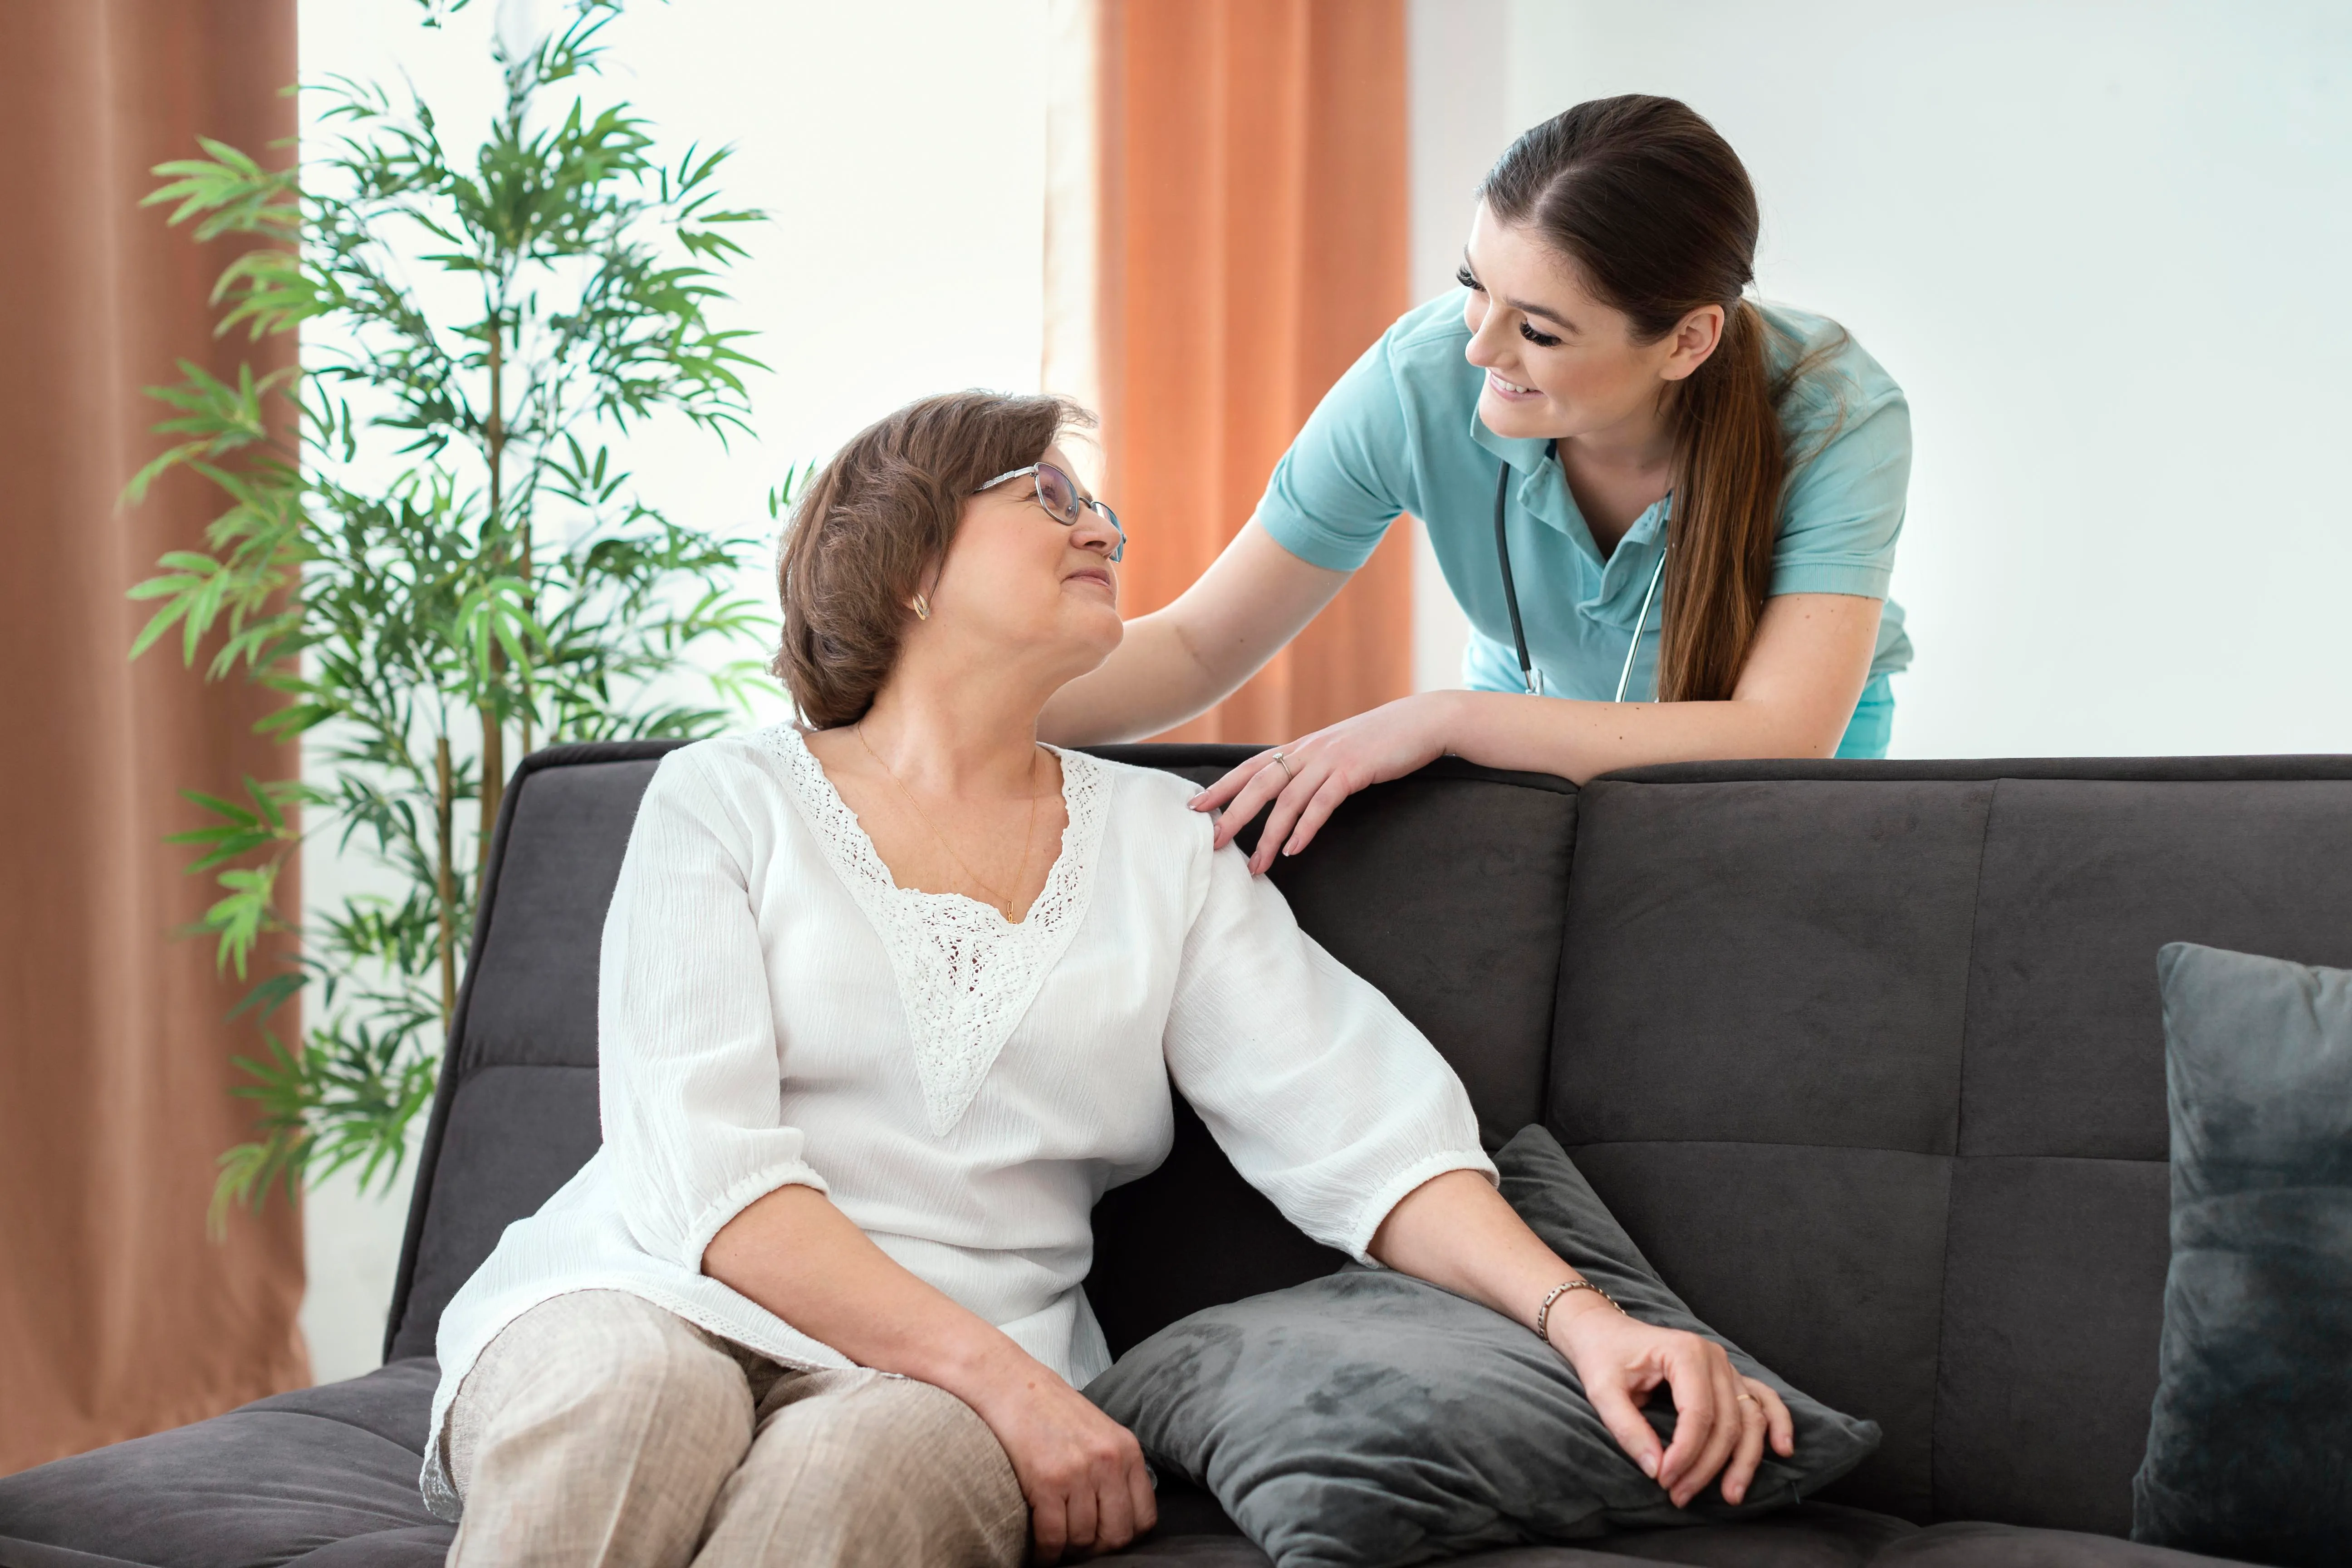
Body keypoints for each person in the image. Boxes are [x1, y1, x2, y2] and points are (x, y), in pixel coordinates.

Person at [421, 392, 1796, 1568]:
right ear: (905, 559)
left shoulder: (1164, 844)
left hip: (954, 1373)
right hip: (652, 1293)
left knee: (842, 1492)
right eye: (1049, 494)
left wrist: (1588, 1321)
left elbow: (1362, 1131)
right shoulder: (724, 799)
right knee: (631, 1396)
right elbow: (704, 1179)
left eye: (1100, 503)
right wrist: (1009, 1387)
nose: (1106, 527)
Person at [1041, 95, 1914, 874]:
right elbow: (1199, 644)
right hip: (1529, 711)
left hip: (1769, 744)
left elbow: (1781, 732)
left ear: (1688, 341)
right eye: (1473, 286)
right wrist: (941, 710)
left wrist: (1448, 720)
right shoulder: (1416, 382)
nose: (1479, 349)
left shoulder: (1836, 415)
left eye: (1537, 329)